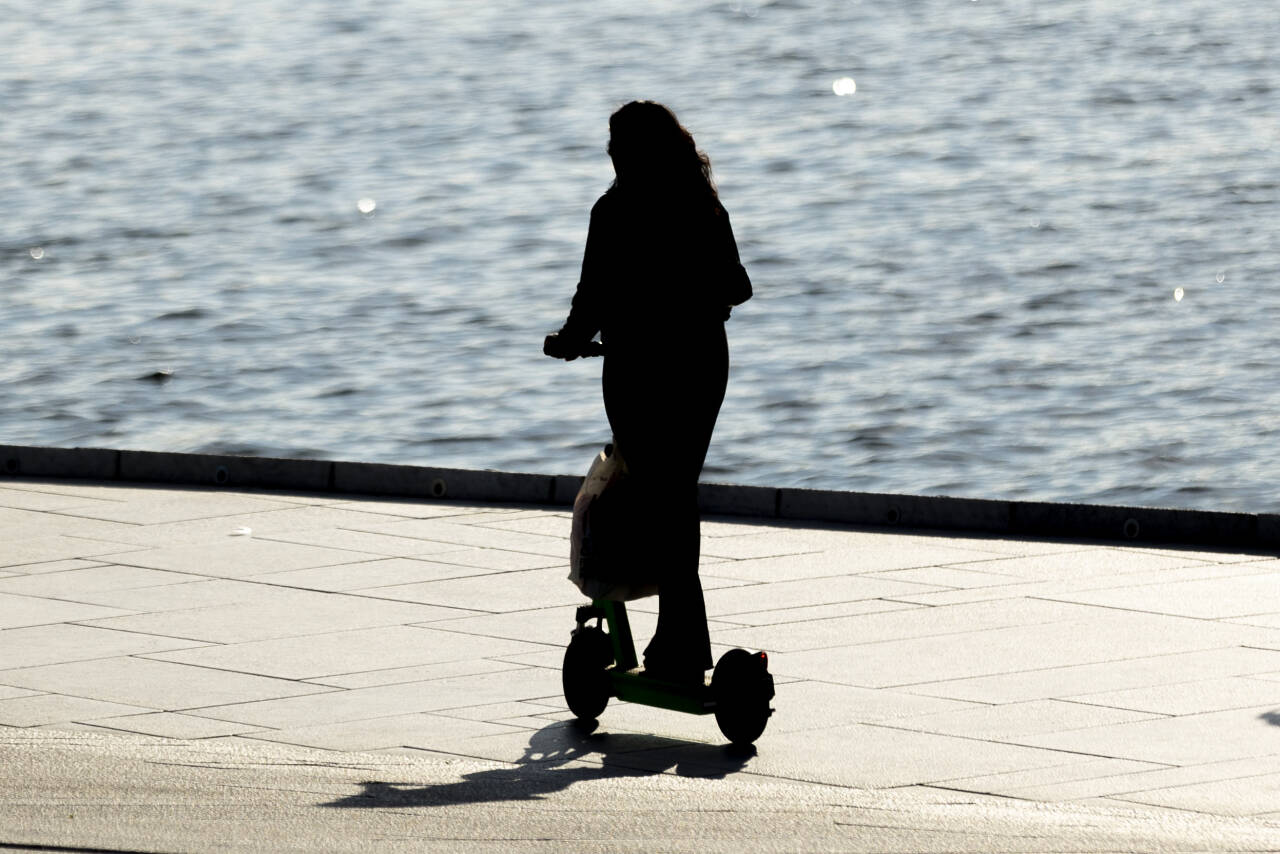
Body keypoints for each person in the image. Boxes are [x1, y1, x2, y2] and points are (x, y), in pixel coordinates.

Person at [544, 100, 752, 684]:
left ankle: (681, 645)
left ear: (623, 153)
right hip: (701, 366)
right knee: (675, 494)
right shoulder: (701, 204)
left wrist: (567, 341)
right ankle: (679, 642)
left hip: (639, 371)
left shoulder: (613, 210)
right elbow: (737, 287)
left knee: (663, 496)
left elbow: (592, 298)